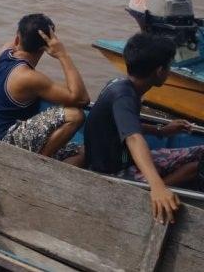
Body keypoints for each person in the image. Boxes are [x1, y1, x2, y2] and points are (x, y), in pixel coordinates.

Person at [85, 33, 204, 224]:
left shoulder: (121, 84)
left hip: (123, 158)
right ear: (159, 71)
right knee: (194, 168)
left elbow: (127, 124)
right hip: (114, 171)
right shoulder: (124, 96)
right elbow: (133, 137)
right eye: (169, 66)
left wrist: (161, 131)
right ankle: (157, 193)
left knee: (201, 152)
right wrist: (157, 186)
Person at [0, 13, 89, 165]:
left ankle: (43, 160)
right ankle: (38, 163)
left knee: (82, 153)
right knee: (75, 115)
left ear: (17, 39)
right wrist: (62, 55)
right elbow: (82, 99)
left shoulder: (6, 51)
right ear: (46, 48)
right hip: (6, 138)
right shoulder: (28, 77)